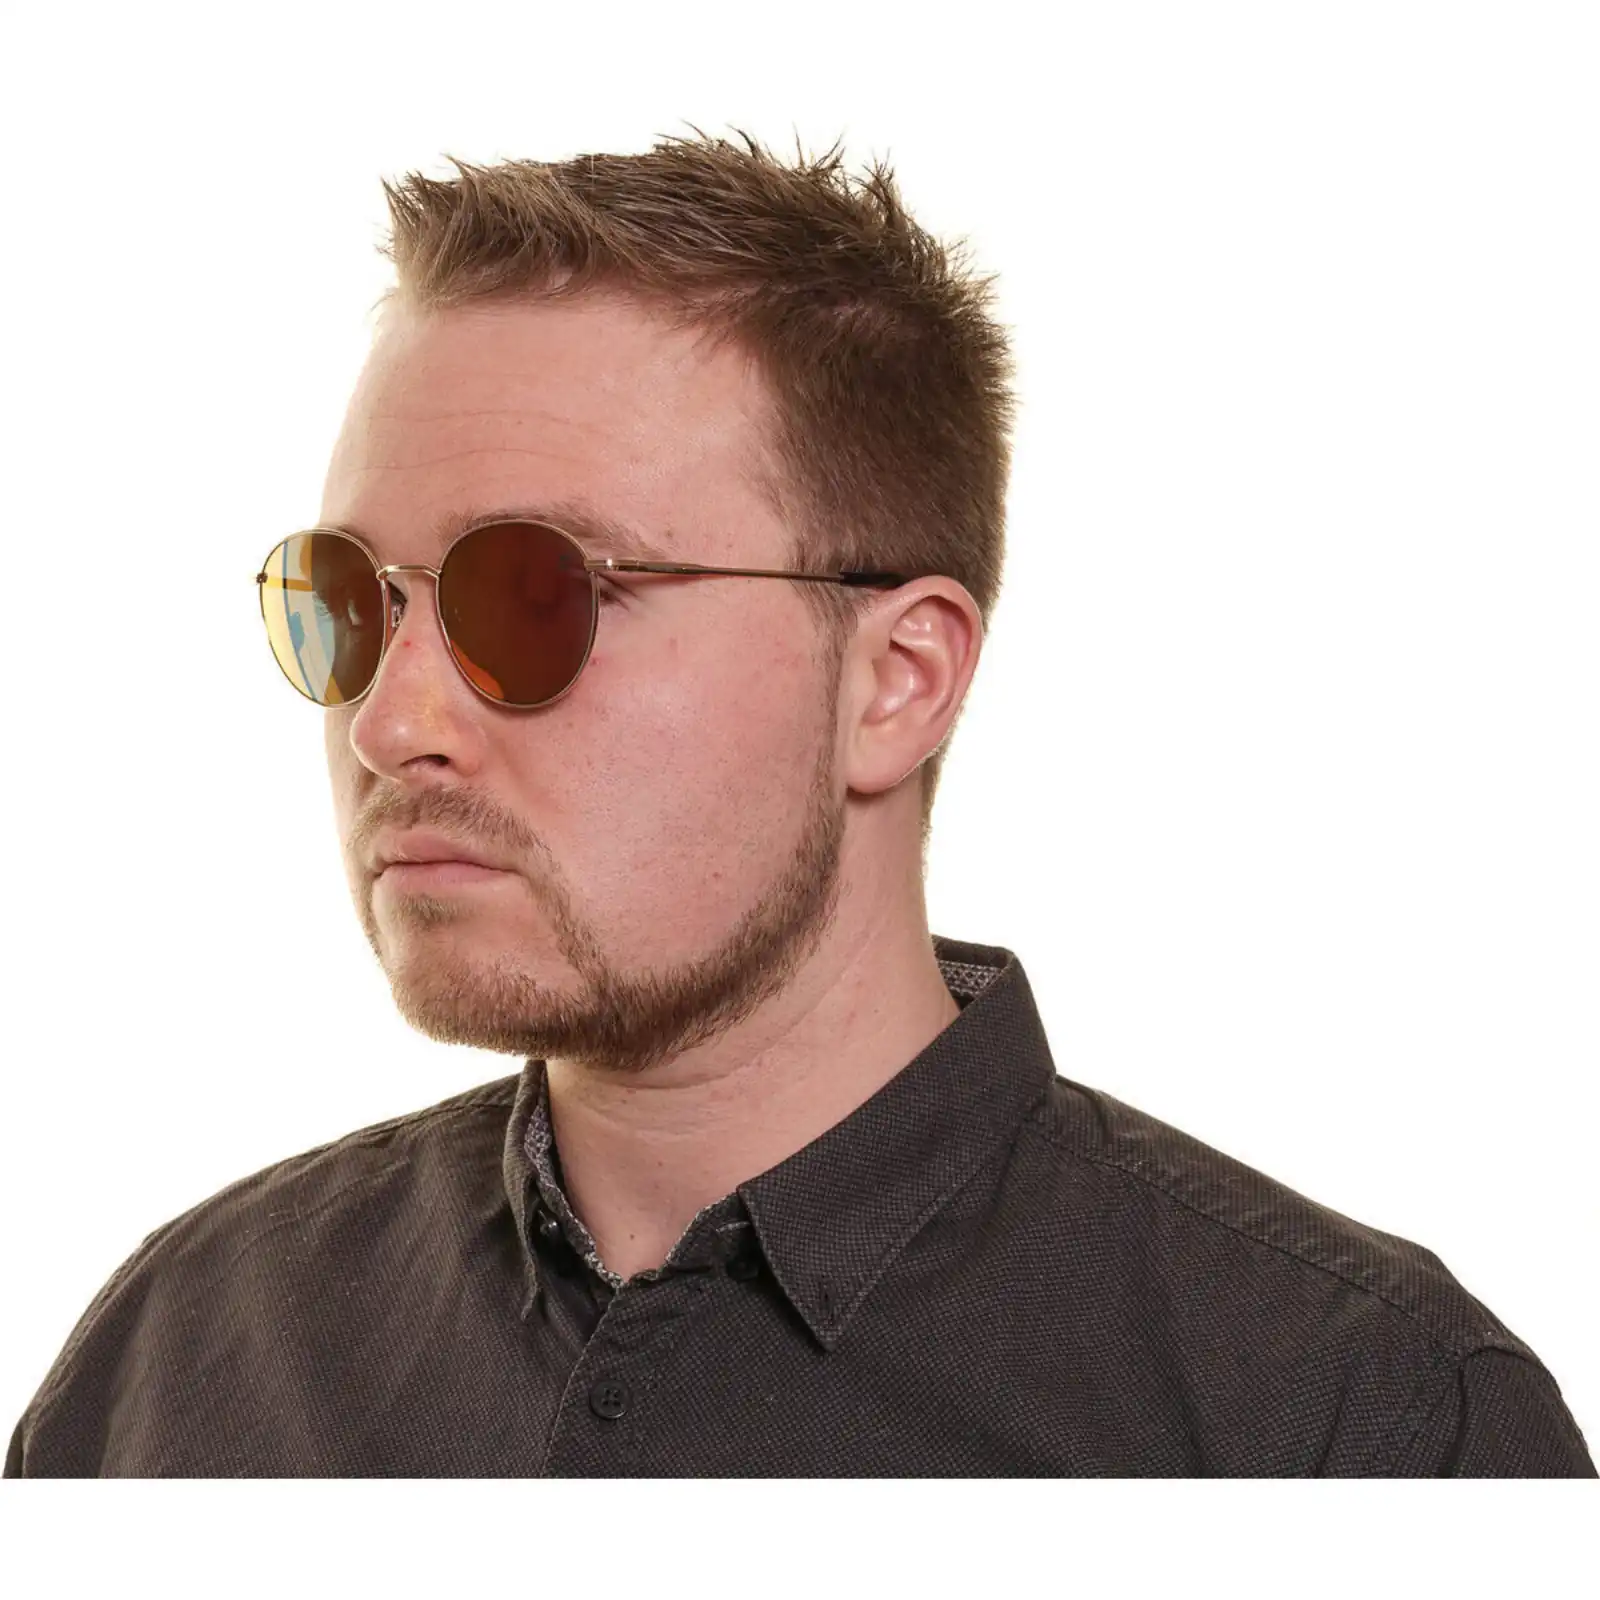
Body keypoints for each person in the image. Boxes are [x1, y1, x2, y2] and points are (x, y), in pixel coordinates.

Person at [7, 129, 1593, 1479]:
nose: (389, 722)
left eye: (534, 598)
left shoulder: (1355, 1433)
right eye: (350, 604)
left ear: (896, 679)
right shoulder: (182, 1364)